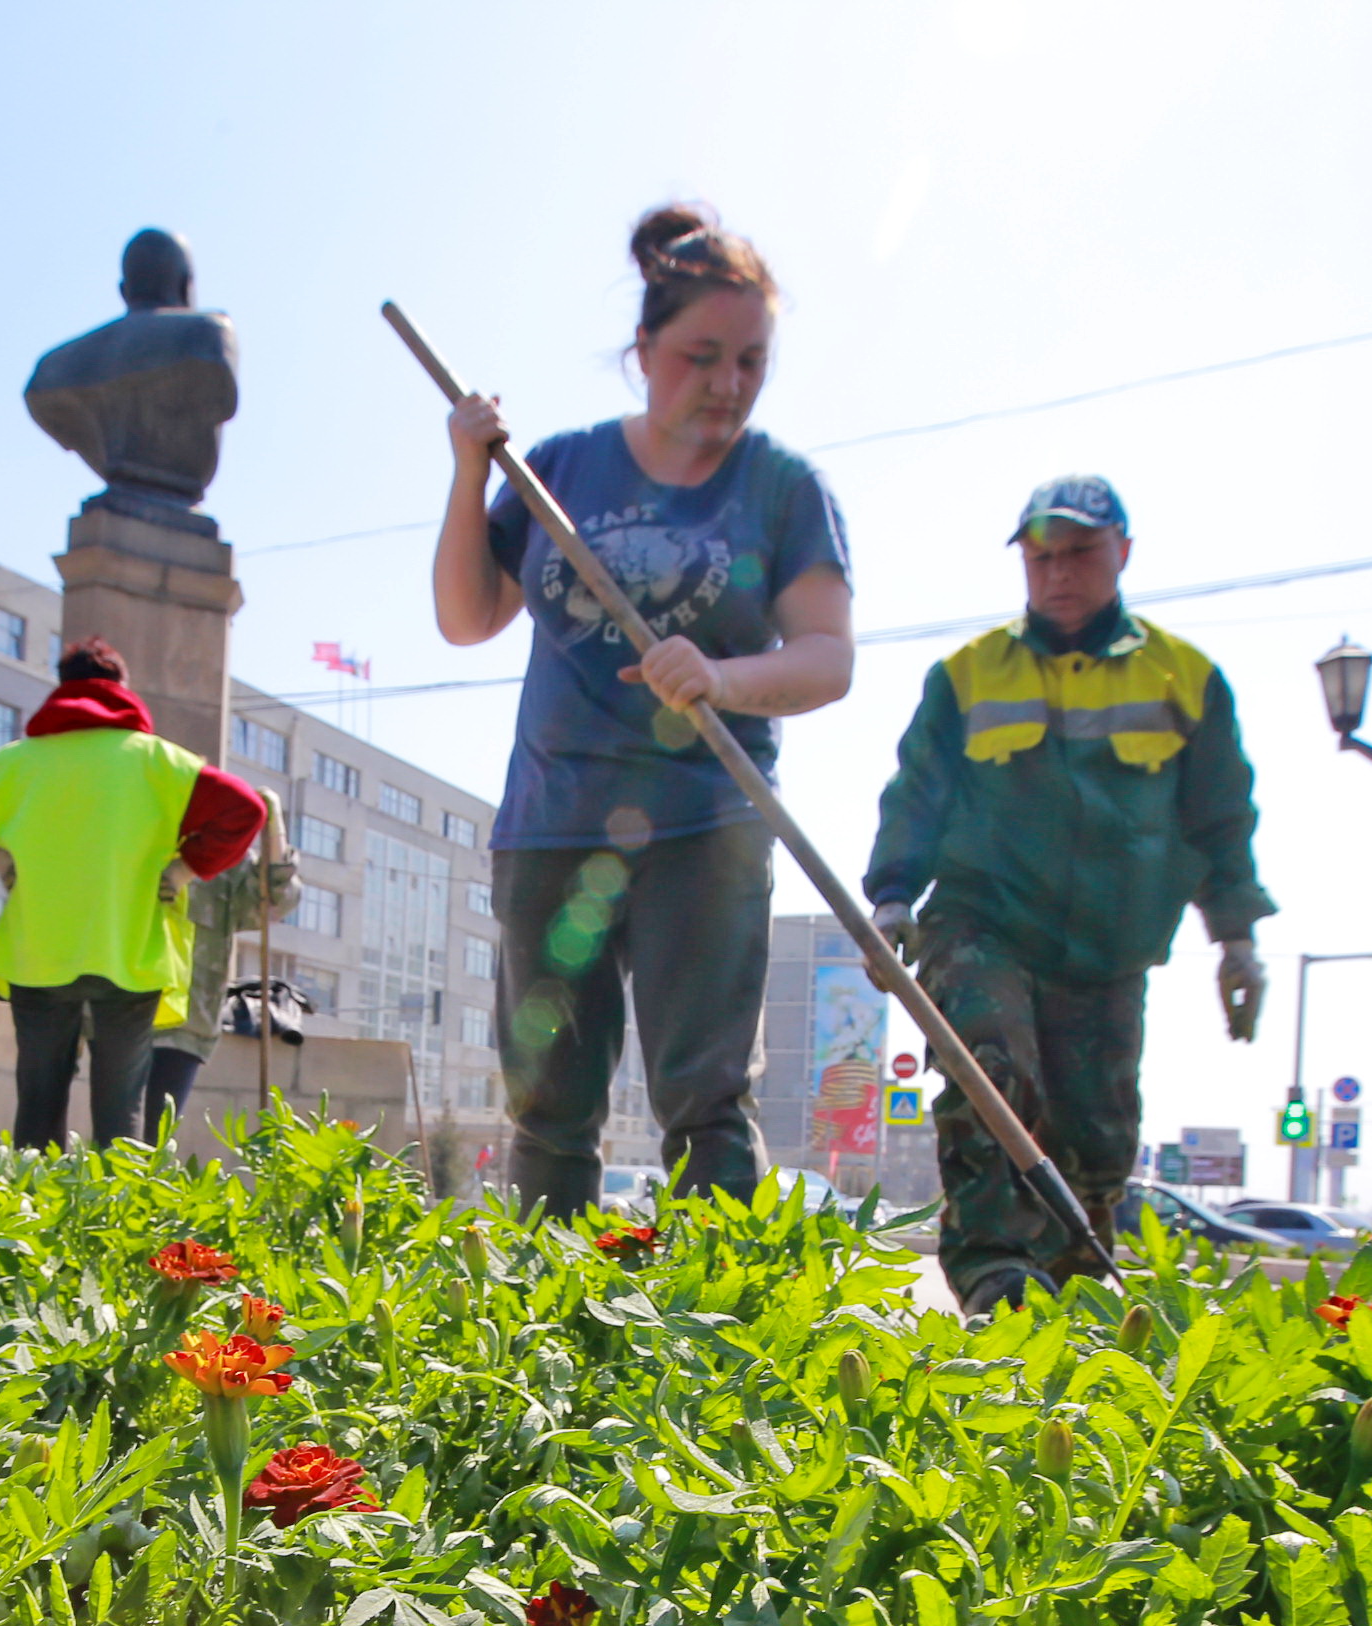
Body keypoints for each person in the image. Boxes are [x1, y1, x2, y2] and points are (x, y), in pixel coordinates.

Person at [428, 201, 853, 1216]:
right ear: (643, 350)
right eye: (702, 355)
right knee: (549, 1107)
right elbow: (465, 616)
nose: (728, 384)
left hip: (705, 822)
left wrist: (724, 676)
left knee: (705, 1100)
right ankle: (548, 1339)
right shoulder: (562, 469)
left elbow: (828, 658)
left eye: (752, 361)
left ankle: (717, 1333)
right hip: (554, 823)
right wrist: (468, 472)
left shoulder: (784, 487)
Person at [862, 476, 1275, 1315]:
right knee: (990, 1067)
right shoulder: (969, 675)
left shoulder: (1184, 678)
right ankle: (993, 1278)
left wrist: (1236, 938)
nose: (1057, 573)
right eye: (1040, 557)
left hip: (1109, 949)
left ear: (1123, 551)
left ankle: (1079, 1302)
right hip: (985, 921)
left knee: (1096, 1133)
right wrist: (893, 894)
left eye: (1079, 553)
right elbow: (919, 791)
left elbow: (1220, 819)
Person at [0, 639, 265, 1150]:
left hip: (38, 952)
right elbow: (246, 809)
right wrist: (187, 868)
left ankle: (29, 1219)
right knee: (122, 1109)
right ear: (122, 687)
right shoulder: (161, 762)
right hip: (128, 950)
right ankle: (114, 1223)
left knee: (38, 1098)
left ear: (61, 684)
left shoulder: (14, 764)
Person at [144, 791, 297, 1139]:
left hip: (184, 1023)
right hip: (120, 1014)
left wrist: (273, 828)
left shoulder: (221, 860)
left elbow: (276, 897)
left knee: (153, 1142)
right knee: (115, 1139)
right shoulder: (137, 841)